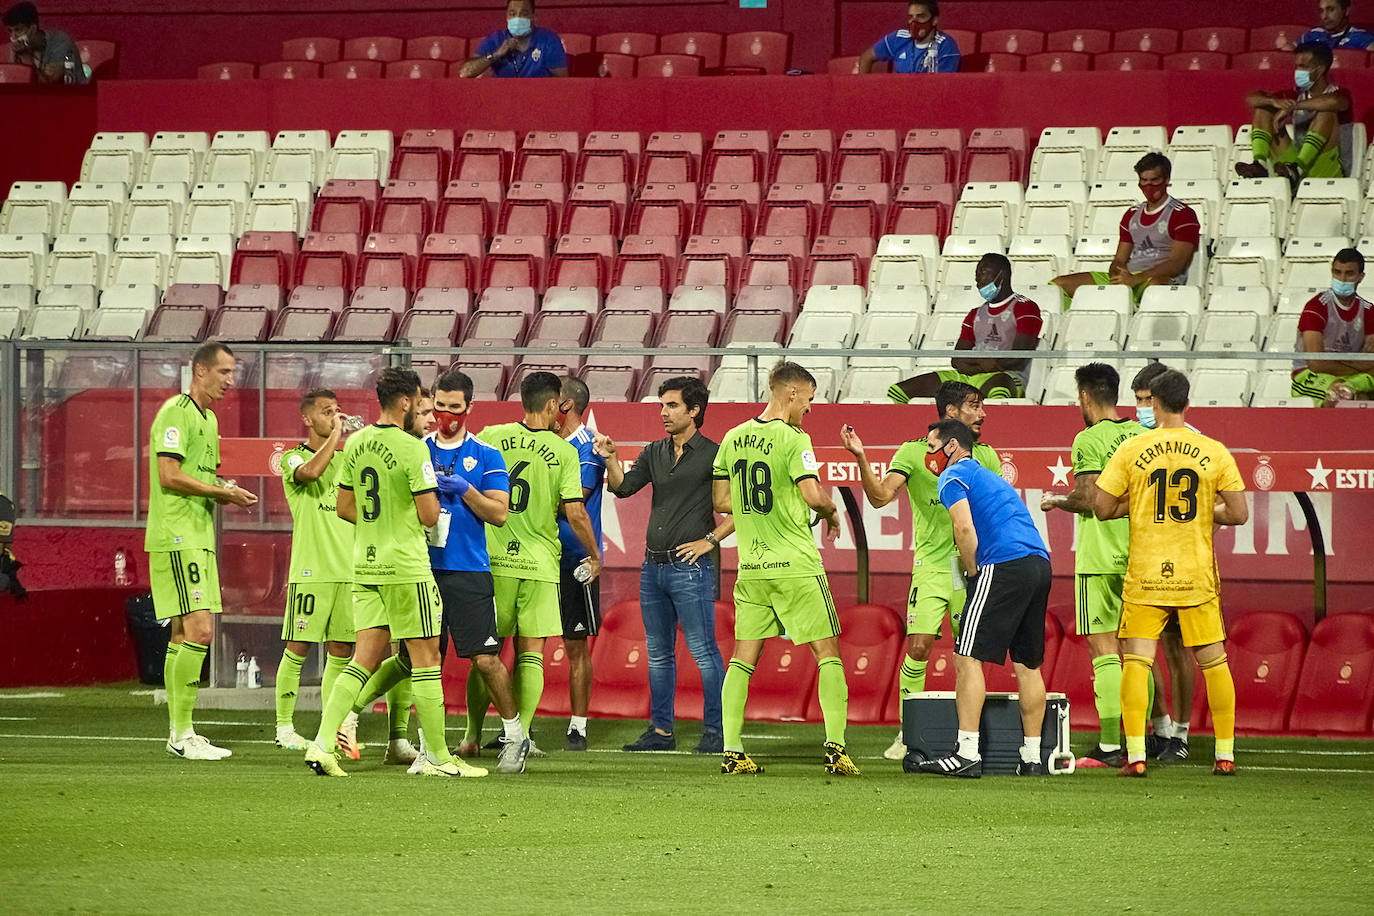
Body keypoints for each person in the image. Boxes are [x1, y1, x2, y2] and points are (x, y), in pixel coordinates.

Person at [304, 367, 484, 778]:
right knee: (426, 659)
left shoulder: (357, 441)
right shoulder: (412, 448)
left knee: (362, 660)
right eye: (419, 402)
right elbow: (429, 514)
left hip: (366, 566)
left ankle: (322, 744)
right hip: (405, 567)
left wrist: (379, 523)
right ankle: (438, 758)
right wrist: (404, 518)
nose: (422, 409)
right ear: (405, 402)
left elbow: (345, 507)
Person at [1094, 369, 1249, 777]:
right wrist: (1201, 510)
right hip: (1195, 573)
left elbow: (1102, 507)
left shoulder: (1132, 448)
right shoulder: (1214, 451)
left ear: (1156, 403)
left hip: (1146, 573)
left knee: (1137, 662)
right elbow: (1238, 513)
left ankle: (1136, 756)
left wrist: (1141, 503)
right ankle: (1225, 754)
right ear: (1187, 402)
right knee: (1214, 662)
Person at [840, 380, 1001, 764]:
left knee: (969, 654)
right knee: (918, 646)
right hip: (930, 566)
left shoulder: (987, 457)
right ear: (951, 412)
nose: (982, 413)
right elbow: (880, 497)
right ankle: (908, 731)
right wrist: (861, 457)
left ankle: (968, 737)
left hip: (970, 567)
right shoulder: (914, 452)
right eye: (974, 406)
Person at [711, 361, 859, 777]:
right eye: (809, 399)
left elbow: (721, 502)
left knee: (742, 660)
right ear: (791, 392)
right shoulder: (795, 438)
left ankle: (732, 750)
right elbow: (813, 495)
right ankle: (836, 749)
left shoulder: (732, 437)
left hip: (752, 568)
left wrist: (762, 504)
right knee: (828, 654)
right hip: (795, 565)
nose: (809, 408)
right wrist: (831, 512)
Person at [596, 377, 733, 754]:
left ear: (694, 410)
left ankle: (718, 732)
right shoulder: (654, 451)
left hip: (691, 568)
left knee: (703, 651)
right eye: (662, 405)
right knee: (658, 654)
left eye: (672, 405)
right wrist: (610, 458)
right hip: (652, 567)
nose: (663, 413)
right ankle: (661, 732)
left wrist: (710, 540)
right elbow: (623, 488)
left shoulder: (715, 454)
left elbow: (739, 508)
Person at [470, 371, 602, 754]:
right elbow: (575, 512)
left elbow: (468, 486)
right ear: (552, 404)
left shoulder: (491, 436)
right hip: (539, 564)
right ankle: (520, 738)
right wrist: (595, 554)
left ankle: (471, 737)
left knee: (486, 652)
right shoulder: (563, 451)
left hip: (492, 562)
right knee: (531, 653)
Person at [916, 419, 1053, 778]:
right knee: (1027, 664)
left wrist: (973, 573)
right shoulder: (990, 477)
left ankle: (966, 753)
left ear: (951, 446)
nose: (928, 455)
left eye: (930, 447)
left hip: (1003, 563)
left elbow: (963, 528)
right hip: (1039, 564)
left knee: (966, 656)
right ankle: (1032, 758)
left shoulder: (953, 476)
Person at [147, 341, 258, 760]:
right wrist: (221, 493)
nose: (230, 380)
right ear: (200, 371)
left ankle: (180, 733)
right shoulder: (176, 412)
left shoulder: (208, 419)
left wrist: (225, 488)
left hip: (197, 535)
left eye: (232, 372)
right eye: (224, 372)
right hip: (177, 535)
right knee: (200, 631)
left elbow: (198, 476)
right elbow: (169, 474)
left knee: (182, 634)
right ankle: (182, 734)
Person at [1040, 364, 1147, 768]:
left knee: (1104, 652)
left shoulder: (1088, 439)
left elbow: (1087, 498)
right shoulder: (1142, 435)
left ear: (1085, 396)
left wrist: (1057, 500)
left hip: (1100, 558)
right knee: (1138, 654)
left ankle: (1109, 746)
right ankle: (1139, 743)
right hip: (1140, 555)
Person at [273, 389, 359, 754]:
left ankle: (330, 728)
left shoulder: (346, 461)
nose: (334, 417)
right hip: (311, 571)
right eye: (326, 412)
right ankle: (284, 728)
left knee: (341, 650)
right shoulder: (293, 457)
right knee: (298, 648)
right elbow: (309, 473)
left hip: (348, 571)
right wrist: (337, 436)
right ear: (307, 419)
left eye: (337, 411)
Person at [1129, 362, 1195, 762]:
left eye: (1147, 400)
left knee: (1176, 648)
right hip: (1142, 560)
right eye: (1137, 400)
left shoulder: (1195, 444)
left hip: (1183, 562)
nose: (1143, 408)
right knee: (1137, 647)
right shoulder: (1134, 443)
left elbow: (1222, 507)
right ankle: (1162, 727)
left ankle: (1181, 735)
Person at [888, 253, 1043, 402]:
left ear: (1002, 275)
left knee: (998, 393)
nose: (977, 279)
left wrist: (978, 364)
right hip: (969, 376)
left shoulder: (1025, 307)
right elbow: (957, 359)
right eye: (977, 274)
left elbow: (1018, 357)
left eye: (983, 273)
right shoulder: (975, 314)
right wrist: (984, 363)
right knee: (898, 392)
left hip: (1006, 376)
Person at [1053, 153, 1201, 309]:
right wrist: (1117, 275)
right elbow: (1119, 258)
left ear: (1166, 180)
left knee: (1157, 288)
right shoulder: (1132, 214)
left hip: (1158, 279)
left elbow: (1177, 263)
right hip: (1130, 277)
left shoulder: (1183, 214)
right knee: (1058, 286)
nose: (1149, 186)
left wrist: (1137, 279)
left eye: (1154, 180)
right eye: (1144, 180)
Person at [554, 376, 605, 751]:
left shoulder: (587, 447)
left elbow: (575, 501)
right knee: (527, 642)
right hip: (538, 557)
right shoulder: (547, 445)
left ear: (566, 404)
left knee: (575, 643)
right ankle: (518, 727)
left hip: (576, 558)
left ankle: (578, 726)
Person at [1236, 43, 1353, 192]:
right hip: (1292, 169)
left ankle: (1297, 169)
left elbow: (1335, 102)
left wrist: (1294, 106)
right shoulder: (1295, 94)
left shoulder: (1339, 93)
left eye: (1303, 67)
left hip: (1326, 170)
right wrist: (1273, 102)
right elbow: (1251, 99)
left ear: (1320, 70)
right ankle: (1260, 165)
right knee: (1263, 109)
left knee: (1326, 112)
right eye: (1296, 66)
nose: (1298, 71)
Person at [1291, 247, 1374, 405]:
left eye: (1349, 274)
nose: (1342, 279)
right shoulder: (1316, 307)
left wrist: (1350, 368)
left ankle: (1350, 389)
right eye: (1337, 272)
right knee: (1337, 395)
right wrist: (1359, 366)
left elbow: (1372, 360)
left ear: (1361, 277)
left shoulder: (1369, 311)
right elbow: (1316, 362)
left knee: (1352, 392)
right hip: (1310, 374)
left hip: (1352, 375)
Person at [459, 0, 568, 78]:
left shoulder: (548, 40)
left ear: (534, 17)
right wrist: (496, 55)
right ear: (507, 17)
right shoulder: (496, 39)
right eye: (513, 14)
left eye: (524, 14)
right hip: (502, 96)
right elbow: (464, 73)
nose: (518, 18)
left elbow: (562, 81)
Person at [858, 0, 960, 73]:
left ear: (934, 20)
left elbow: (943, 85)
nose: (914, 22)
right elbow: (867, 57)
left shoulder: (946, 46)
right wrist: (864, 88)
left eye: (921, 16)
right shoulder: (898, 38)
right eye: (911, 17)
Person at [4, 2, 88, 84]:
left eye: (18, 30)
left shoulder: (60, 42)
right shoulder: (18, 48)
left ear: (33, 29)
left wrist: (26, 59)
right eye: (10, 31)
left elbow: (48, 87)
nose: (13, 36)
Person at [1296, 0, 1374, 49]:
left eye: (1331, 10)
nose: (1324, 16)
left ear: (1346, 11)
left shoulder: (1361, 37)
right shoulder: (1312, 35)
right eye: (1321, 11)